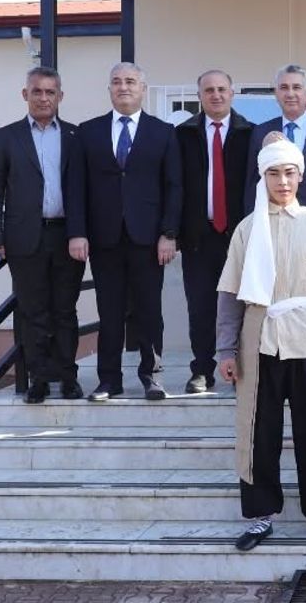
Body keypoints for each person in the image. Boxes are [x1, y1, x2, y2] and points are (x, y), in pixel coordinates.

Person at [215, 135, 306, 551]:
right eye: (273, 174)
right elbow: (229, 293)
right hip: (259, 342)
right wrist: (225, 350)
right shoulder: (247, 229)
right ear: (263, 178)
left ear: (301, 176)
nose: (282, 181)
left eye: (289, 173)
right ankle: (261, 516)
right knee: (260, 433)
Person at [67, 62, 182, 402]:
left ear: (143, 88)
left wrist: (169, 233)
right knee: (110, 312)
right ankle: (109, 380)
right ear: (109, 89)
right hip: (104, 239)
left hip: (148, 239)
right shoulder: (87, 132)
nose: (123, 87)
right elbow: (76, 186)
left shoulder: (163, 132)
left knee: (149, 312)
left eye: (130, 81)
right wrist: (77, 232)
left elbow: (174, 186)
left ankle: (152, 376)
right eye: (116, 81)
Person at [0, 66, 85, 403]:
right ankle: (38, 378)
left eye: (50, 92)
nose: (43, 98)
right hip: (24, 237)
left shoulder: (75, 136)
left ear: (60, 97)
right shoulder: (6, 136)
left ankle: (68, 377)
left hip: (67, 236)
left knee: (65, 310)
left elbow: (84, 190)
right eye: (37, 91)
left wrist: (83, 233)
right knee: (32, 310)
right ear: (25, 94)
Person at [176, 70, 254, 394]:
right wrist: (173, 231)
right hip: (198, 235)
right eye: (209, 90)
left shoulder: (250, 133)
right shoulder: (183, 135)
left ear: (232, 93)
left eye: (222, 89)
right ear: (200, 96)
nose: (216, 95)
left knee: (242, 304)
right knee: (201, 306)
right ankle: (202, 370)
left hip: (240, 236)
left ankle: (241, 371)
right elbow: (175, 186)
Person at [244, 64, 306, 220]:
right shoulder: (260, 133)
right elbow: (252, 185)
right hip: (271, 222)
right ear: (276, 94)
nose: (290, 94)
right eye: (284, 87)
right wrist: (251, 222)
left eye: (296, 87)